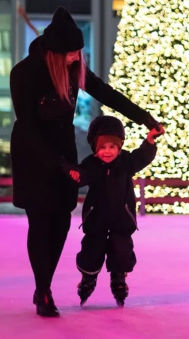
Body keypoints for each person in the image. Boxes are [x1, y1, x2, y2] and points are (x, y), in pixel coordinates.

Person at [10, 6, 163, 317]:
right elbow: (28, 128)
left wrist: (144, 118)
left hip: (64, 151)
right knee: (41, 222)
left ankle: (45, 286)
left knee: (63, 222)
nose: (76, 58)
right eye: (71, 53)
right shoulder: (24, 73)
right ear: (55, 52)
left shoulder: (72, 67)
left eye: (78, 52)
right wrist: (59, 165)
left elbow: (107, 93)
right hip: (33, 155)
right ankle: (43, 291)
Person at [68, 116, 162, 307]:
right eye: (102, 147)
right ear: (95, 148)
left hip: (121, 218)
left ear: (119, 147)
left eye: (112, 147)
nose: (107, 152)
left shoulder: (126, 161)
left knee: (121, 249)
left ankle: (119, 278)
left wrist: (150, 140)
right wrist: (75, 174)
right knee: (92, 248)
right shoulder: (92, 163)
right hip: (96, 219)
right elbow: (82, 175)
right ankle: (88, 278)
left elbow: (142, 156)